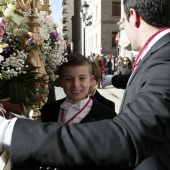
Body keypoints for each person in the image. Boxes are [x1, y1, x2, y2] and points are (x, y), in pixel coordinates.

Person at [1, 0, 170, 169]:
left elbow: (128, 136)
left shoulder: (164, 60)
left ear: (134, 17)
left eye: (123, 21)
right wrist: (113, 80)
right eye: (68, 79)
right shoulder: (160, 55)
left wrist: (9, 131)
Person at [40, 53, 116, 124]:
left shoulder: (107, 116)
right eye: (68, 79)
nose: (75, 85)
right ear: (60, 82)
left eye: (82, 78)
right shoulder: (48, 111)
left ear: (90, 80)